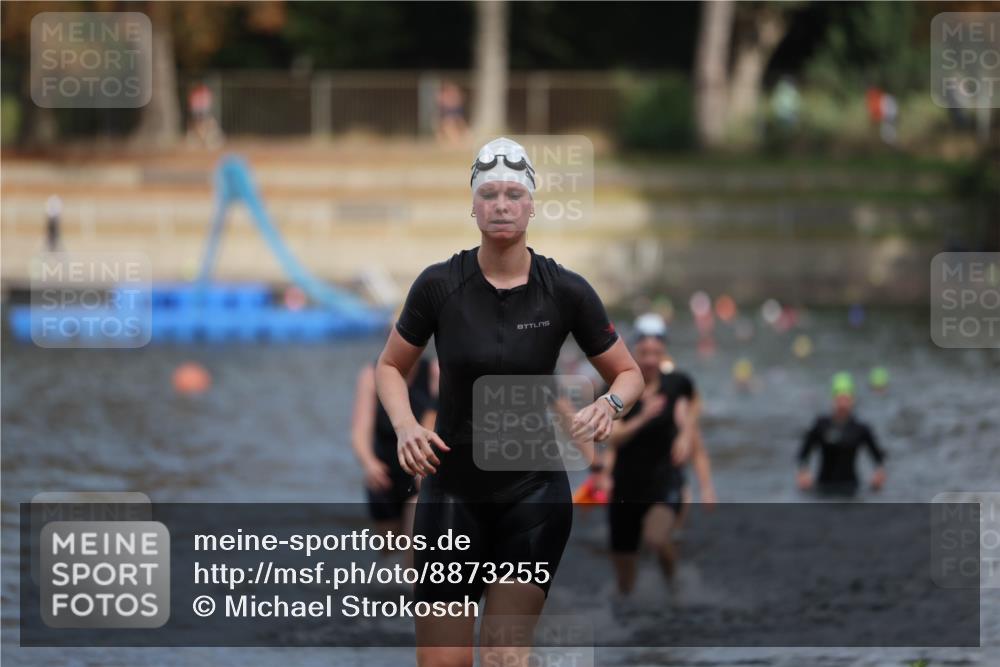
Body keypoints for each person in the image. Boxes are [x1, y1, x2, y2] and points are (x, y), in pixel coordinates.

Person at [374, 137, 643, 667]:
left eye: (513, 194)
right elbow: (389, 367)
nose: (501, 204)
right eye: (490, 194)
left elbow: (628, 374)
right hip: (452, 491)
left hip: (533, 494)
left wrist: (608, 406)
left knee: (503, 656)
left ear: (532, 206)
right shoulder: (438, 286)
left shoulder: (565, 290)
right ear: (472, 206)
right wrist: (405, 426)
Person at [598, 313, 714, 597]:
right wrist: (643, 417)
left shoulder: (677, 384)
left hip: (664, 483)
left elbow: (695, 402)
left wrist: (686, 432)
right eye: (644, 352)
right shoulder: (617, 389)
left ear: (664, 352)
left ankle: (675, 587)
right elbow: (611, 437)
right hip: (625, 488)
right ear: (633, 350)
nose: (650, 360)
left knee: (656, 537)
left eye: (656, 353)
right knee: (625, 582)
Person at [351, 355, 438, 560]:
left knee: (414, 547)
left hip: (419, 469)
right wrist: (369, 463)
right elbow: (360, 430)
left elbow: (433, 420)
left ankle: (413, 582)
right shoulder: (371, 374)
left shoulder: (434, 371)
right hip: (384, 473)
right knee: (389, 553)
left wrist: (423, 463)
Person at [797, 372, 887, 496]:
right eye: (839, 399)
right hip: (823, 487)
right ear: (833, 399)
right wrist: (803, 473)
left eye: (846, 399)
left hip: (852, 488)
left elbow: (878, 457)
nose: (843, 404)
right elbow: (803, 453)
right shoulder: (821, 425)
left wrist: (879, 474)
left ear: (853, 400)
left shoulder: (860, 429)